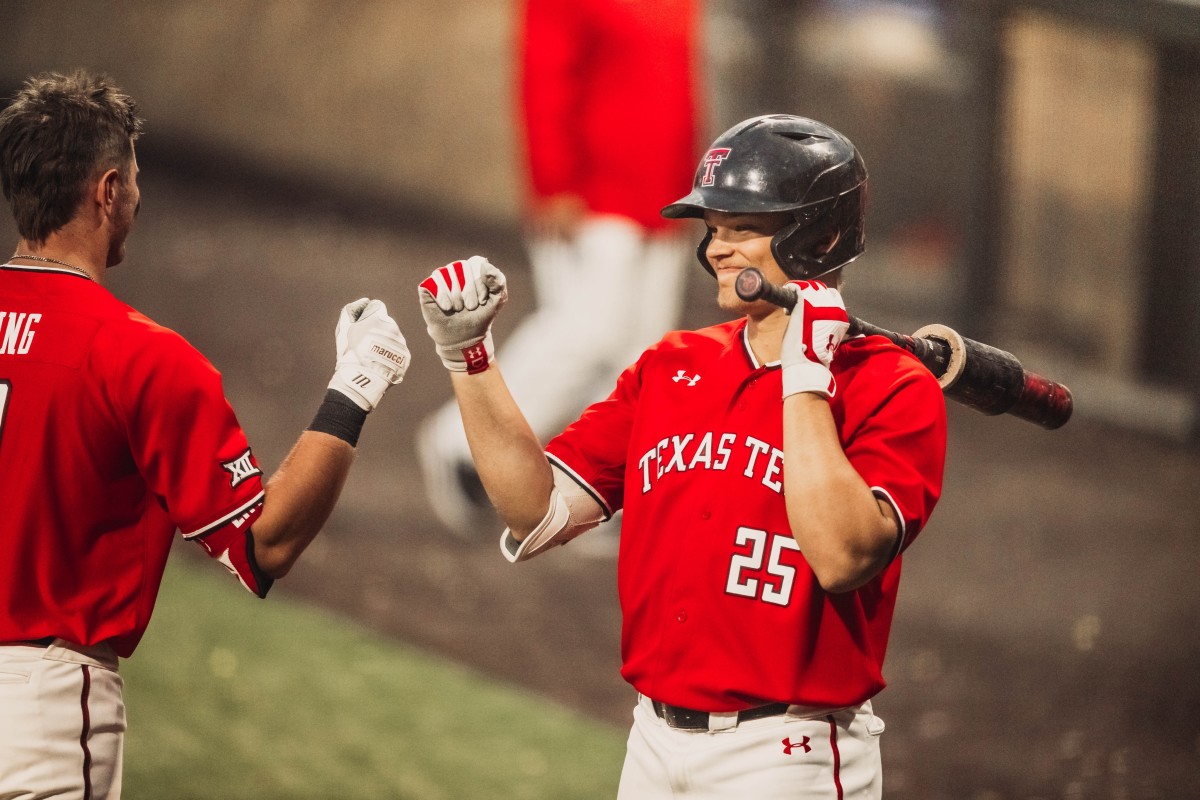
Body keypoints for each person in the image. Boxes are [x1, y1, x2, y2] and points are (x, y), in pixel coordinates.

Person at [417, 114, 947, 798]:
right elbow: (536, 512)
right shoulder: (674, 366)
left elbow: (843, 556)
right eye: (714, 229)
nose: (718, 250)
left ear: (821, 237)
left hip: (788, 758)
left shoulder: (893, 389)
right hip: (650, 746)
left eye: (742, 228)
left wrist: (806, 375)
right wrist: (471, 361)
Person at [0, 70, 410, 799]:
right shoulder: (138, 355)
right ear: (106, 193)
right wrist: (357, 383)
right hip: (39, 709)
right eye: (131, 180)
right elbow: (264, 545)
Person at [417, 0, 702, 536]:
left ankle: (597, 495)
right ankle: (459, 443)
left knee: (639, 355)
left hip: (660, 197)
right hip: (593, 196)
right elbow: (544, 75)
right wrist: (553, 180)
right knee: (587, 334)